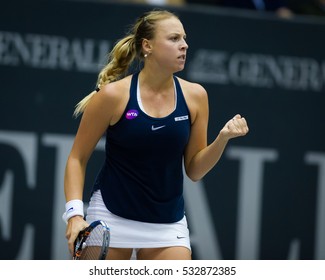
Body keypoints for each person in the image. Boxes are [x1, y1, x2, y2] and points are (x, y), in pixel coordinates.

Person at [63, 9, 249, 260]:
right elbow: (77, 157)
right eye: (174, 39)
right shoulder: (112, 96)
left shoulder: (196, 96)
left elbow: (194, 170)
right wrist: (74, 215)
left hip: (167, 223)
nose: (184, 45)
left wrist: (222, 139)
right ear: (147, 46)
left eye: (184, 39)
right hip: (111, 216)